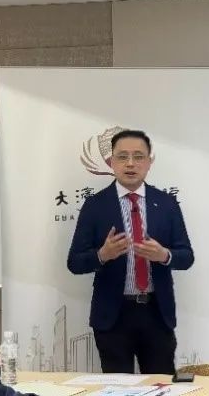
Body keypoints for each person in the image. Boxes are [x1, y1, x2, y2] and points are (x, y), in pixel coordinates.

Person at [68, 129, 194, 375]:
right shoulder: (95, 206)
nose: (130, 163)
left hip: (156, 314)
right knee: (117, 388)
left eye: (138, 156)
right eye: (122, 156)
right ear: (111, 162)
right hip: (113, 317)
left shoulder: (166, 204)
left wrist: (164, 255)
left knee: (161, 385)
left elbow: (186, 256)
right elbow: (74, 262)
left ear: (149, 162)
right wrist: (102, 255)